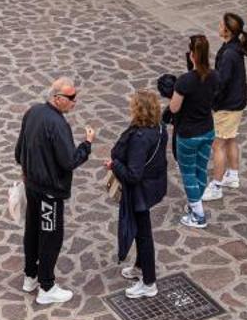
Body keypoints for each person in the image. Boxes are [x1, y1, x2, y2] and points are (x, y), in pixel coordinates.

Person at [14, 77, 94, 306]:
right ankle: (46, 286)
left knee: (32, 231)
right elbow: (69, 161)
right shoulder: (58, 125)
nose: (74, 102)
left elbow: (19, 150)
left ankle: (30, 276)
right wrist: (86, 144)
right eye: (71, 98)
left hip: (32, 186)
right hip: (50, 192)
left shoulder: (32, 112)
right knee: (51, 237)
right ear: (57, 98)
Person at [106, 88, 169, 300]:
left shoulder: (140, 138)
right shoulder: (160, 128)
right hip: (154, 186)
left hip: (140, 192)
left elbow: (133, 174)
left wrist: (114, 165)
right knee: (143, 232)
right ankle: (140, 268)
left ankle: (149, 282)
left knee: (143, 236)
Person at [165, 34, 215, 229]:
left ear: (192, 55)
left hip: (188, 134)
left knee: (187, 173)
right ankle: (196, 203)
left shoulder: (185, 81)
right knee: (201, 169)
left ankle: (198, 214)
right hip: (208, 130)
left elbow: (174, 108)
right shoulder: (215, 76)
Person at [207, 13, 247, 197]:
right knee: (230, 138)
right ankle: (232, 175)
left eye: (220, 24)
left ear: (227, 30)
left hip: (227, 106)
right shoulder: (233, 48)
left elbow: (221, 83)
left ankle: (216, 186)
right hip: (236, 102)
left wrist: (212, 102)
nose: (218, 26)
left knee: (218, 145)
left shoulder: (229, 54)